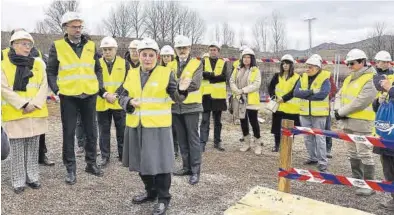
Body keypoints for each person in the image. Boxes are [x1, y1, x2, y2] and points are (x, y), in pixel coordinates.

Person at [119, 38, 191, 215]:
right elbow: (122, 95)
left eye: (151, 55)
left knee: (159, 164)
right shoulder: (131, 74)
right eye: (144, 55)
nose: (147, 58)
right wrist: (128, 102)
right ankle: (150, 192)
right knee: (141, 162)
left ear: (157, 57)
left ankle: (163, 198)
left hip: (157, 127)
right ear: (139, 55)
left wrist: (181, 90)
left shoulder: (166, 74)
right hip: (136, 125)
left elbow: (176, 97)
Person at [46, 11, 104, 185]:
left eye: (80, 26)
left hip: (89, 94)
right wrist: (56, 90)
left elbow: (98, 69)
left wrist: (99, 87)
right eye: (74, 26)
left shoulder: (91, 45)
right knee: (69, 132)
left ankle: (91, 163)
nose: (78, 29)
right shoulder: (57, 46)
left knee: (91, 131)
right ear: (66, 27)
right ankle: (70, 168)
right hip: (69, 96)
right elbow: (51, 70)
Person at [1, 31, 48, 193]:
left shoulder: (39, 63)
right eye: (23, 43)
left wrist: (34, 104)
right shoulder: (4, 64)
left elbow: (43, 85)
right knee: (18, 148)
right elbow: (4, 89)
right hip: (16, 113)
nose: (27, 47)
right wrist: (23, 104)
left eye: (29, 44)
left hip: (35, 112)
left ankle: (33, 177)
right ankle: (18, 181)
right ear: (13, 45)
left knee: (33, 147)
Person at [334, 49, 377, 196]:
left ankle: (369, 185)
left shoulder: (371, 78)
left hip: (362, 123)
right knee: (352, 152)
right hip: (347, 122)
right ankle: (358, 180)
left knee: (364, 152)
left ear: (362, 62)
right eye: (348, 63)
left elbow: (361, 102)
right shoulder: (350, 78)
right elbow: (339, 95)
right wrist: (337, 110)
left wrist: (341, 112)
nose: (349, 65)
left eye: (352, 63)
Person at [167, 35, 203, 185]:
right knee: (182, 139)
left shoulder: (197, 63)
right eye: (179, 48)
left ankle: (195, 170)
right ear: (175, 49)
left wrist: (178, 85)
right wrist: (180, 84)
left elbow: (195, 84)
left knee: (193, 139)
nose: (182, 50)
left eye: (185, 48)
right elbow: (167, 84)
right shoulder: (170, 65)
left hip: (191, 106)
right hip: (175, 107)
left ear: (189, 48)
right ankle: (186, 167)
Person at [96, 36, 129, 167]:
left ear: (115, 49)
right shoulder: (97, 63)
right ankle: (105, 156)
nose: (107, 52)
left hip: (118, 102)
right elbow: (95, 82)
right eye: (104, 49)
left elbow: (127, 81)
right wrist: (105, 94)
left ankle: (123, 155)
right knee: (104, 131)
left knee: (121, 129)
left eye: (110, 49)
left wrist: (116, 94)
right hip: (102, 101)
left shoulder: (124, 63)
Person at [294, 54, 331, 172]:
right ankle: (312, 157)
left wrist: (306, 94)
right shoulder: (302, 77)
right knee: (307, 138)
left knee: (320, 138)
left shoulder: (325, 78)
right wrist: (312, 92)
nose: (308, 69)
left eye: (311, 67)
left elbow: (322, 95)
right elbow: (296, 93)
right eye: (307, 67)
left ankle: (322, 162)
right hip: (304, 113)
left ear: (318, 68)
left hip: (319, 114)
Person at [230, 48, 263, 155]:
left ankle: (257, 144)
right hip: (240, 100)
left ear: (252, 59)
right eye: (244, 57)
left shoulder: (255, 70)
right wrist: (236, 90)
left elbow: (256, 84)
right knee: (243, 122)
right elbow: (231, 81)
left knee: (254, 122)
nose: (246, 59)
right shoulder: (237, 69)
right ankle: (246, 143)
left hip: (251, 100)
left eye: (248, 57)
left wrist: (242, 90)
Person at [268, 54, 300, 152]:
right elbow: (270, 87)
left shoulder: (297, 77)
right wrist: (274, 97)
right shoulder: (277, 76)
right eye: (283, 63)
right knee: (277, 128)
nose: (285, 65)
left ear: (291, 65)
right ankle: (277, 145)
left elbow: (294, 91)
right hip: (279, 107)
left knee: (290, 130)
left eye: (287, 63)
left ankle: (287, 147)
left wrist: (284, 98)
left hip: (292, 109)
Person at [199, 42, 227, 152]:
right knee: (205, 120)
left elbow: (224, 77)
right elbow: (201, 74)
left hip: (218, 97)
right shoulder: (203, 61)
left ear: (218, 52)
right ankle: (202, 142)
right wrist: (215, 76)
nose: (212, 52)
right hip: (206, 96)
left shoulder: (223, 62)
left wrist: (209, 76)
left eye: (214, 50)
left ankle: (217, 142)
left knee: (218, 121)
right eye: (211, 50)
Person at [308, 54, 337, 158]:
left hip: (324, 108)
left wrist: (324, 96)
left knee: (326, 129)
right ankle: (315, 153)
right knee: (312, 131)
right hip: (310, 109)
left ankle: (328, 150)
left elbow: (333, 90)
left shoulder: (327, 75)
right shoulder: (308, 75)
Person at [373, 75, 394, 211]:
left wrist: (390, 89)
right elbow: (377, 109)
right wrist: (378, 102)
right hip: (386, 136)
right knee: (389, 171)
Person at [160, 45, 179, 158]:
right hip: (162, 102)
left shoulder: (176, 67)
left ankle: (175, 149)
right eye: (164, 56)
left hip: (173, 101)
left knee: (174, 127)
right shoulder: (158, 69)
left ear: (172, 56)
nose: (166, 58)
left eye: (168, 56)